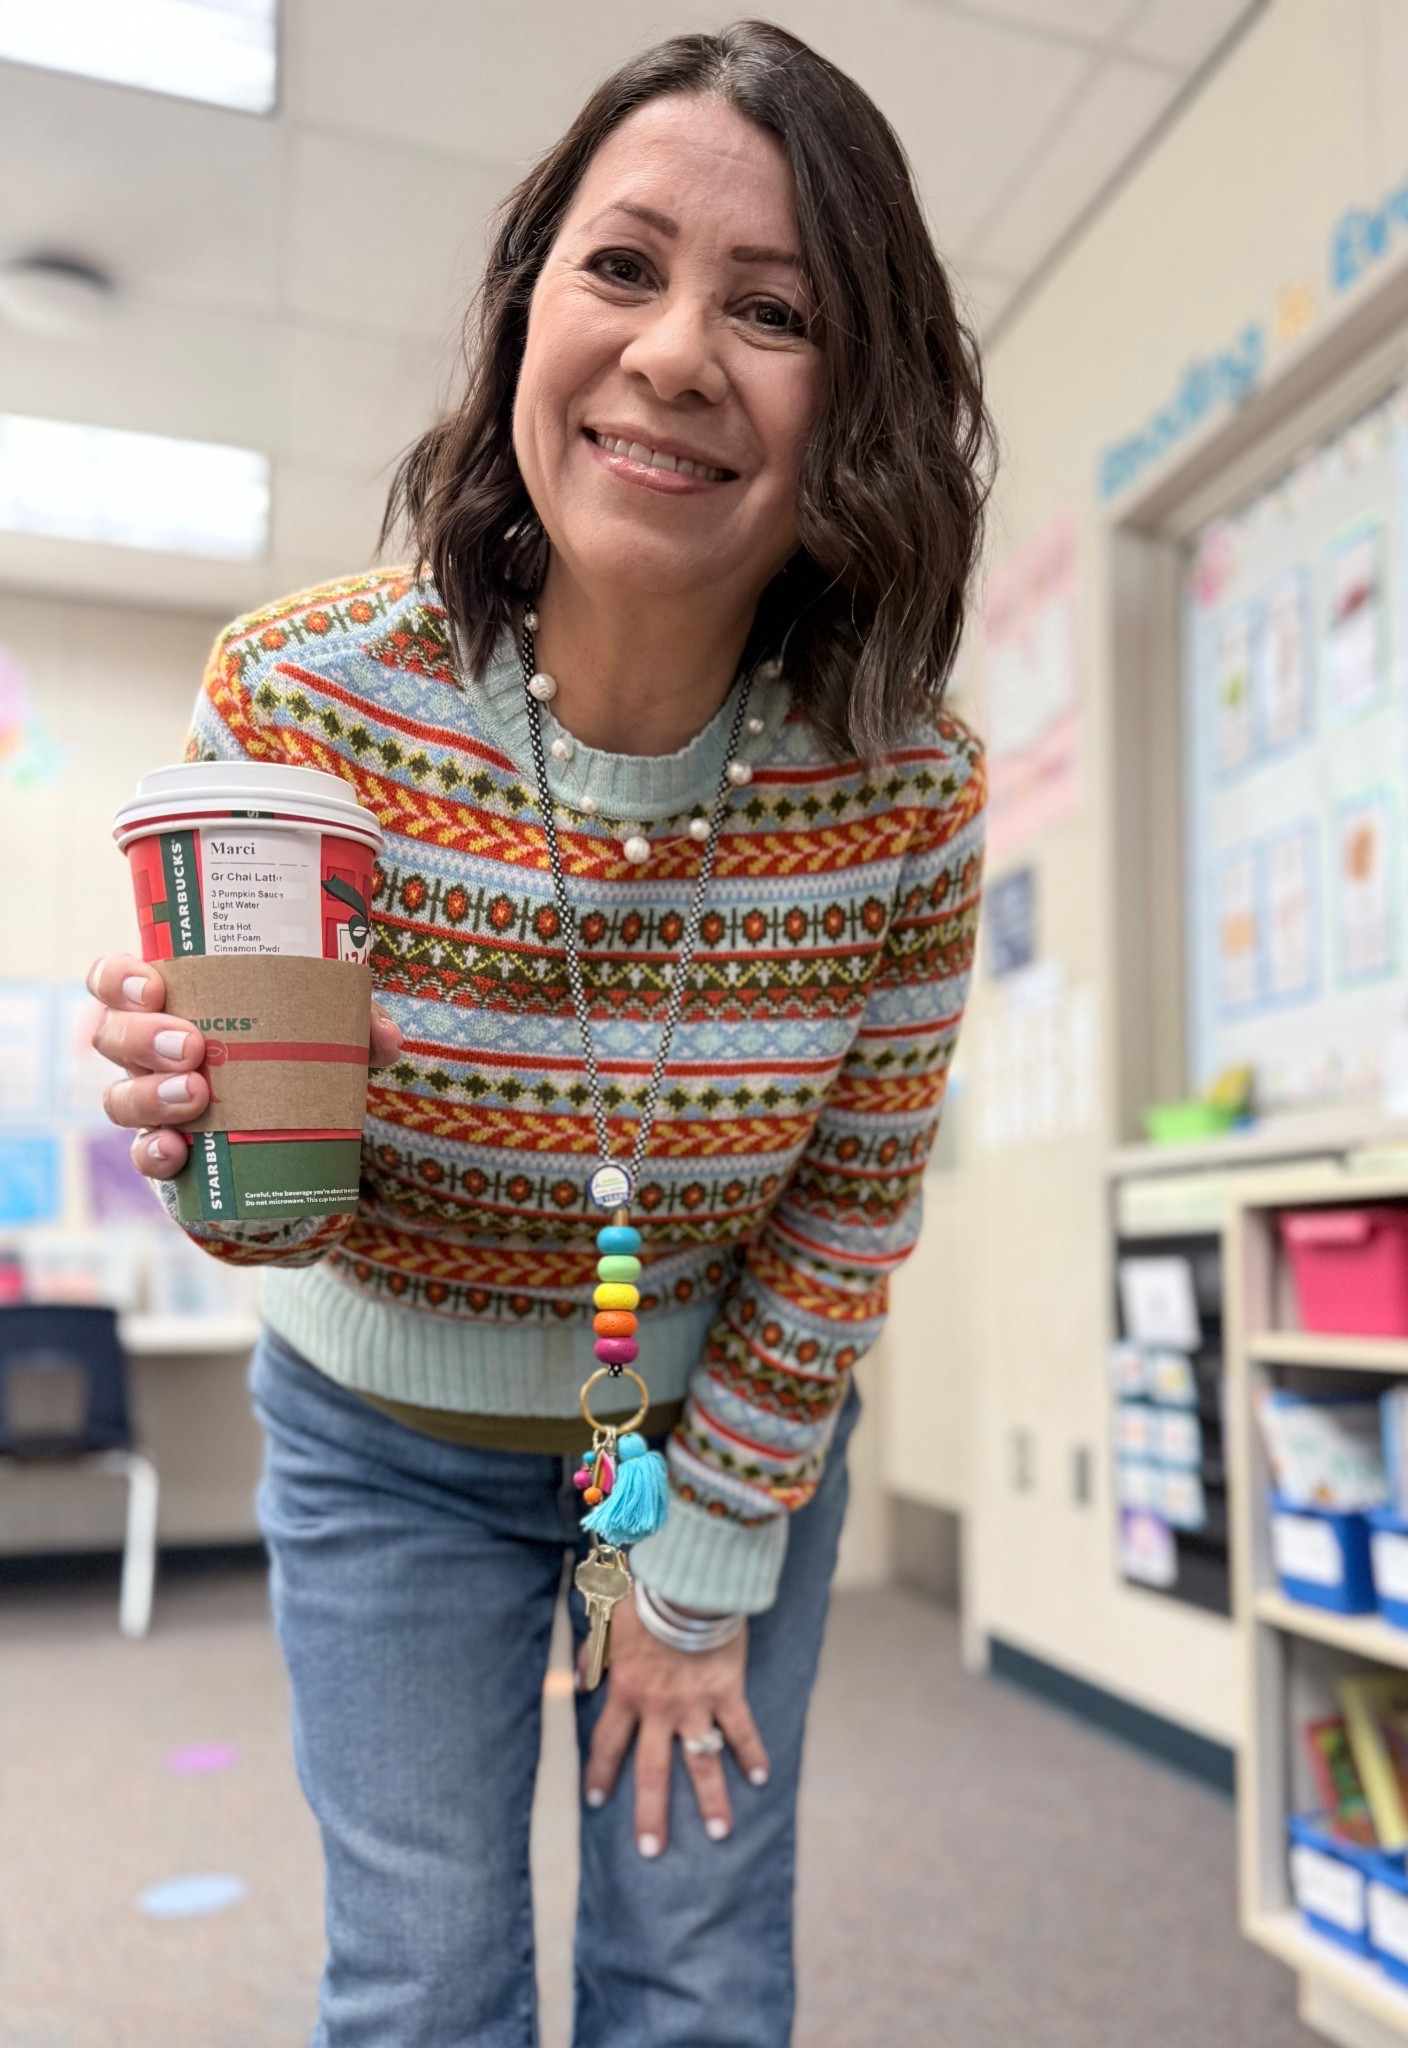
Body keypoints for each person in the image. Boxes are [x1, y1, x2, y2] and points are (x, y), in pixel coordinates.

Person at [89, 21, 989, 2047]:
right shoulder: (303, 701)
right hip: (379, 1443)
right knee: (423, 1983)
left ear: (858, 399)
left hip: (718, 1429)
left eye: (772, 310)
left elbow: (845, 1215)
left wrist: (702, 1569)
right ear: (525, 310)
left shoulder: (904, 786)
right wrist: (199, 1133)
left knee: (695, 1974)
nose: (676, 352)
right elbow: (261, 1213)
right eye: (623, 267)